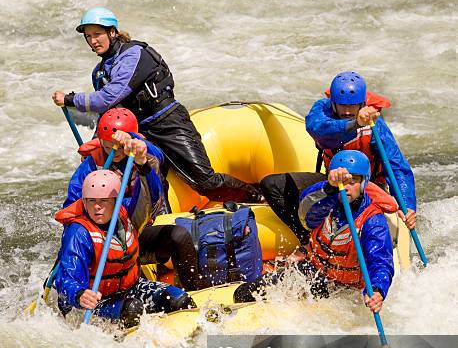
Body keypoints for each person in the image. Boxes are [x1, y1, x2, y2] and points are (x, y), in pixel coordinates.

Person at [52, 7, 262, 206]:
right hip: (141, 132)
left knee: (205, 182)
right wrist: (96, 142)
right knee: (151, 183)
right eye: (88, 36)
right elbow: (109, 113)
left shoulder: (134, 54)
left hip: (168, 122)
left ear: (113, 32)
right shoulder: (99, 71)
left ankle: (258, 197)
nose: (93, 40)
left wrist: (70, 99)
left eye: (97, 34)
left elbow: (108, 97)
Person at [260, 71, 417, 245]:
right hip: (333, 183)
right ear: (333, 103)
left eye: (353, 106)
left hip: (366, 187)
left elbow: (396, 166)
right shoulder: (322, 110)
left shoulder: (375, 125)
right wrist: (354, 124)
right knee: (272, 184)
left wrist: (407, 205)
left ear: (363, 103)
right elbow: (318, 130)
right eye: (342, 106)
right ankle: (307, 241)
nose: (348, 111)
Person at [234, 150, 397, 314]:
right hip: (313, 271)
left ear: (363, 184)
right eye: (342, 182)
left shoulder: (373, 221)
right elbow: (306, 214)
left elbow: (381, 262)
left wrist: (377, 290)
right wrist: (329, 188)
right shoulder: (325, 203)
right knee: (243, 294)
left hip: (347, 289)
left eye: (352, 181)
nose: (346, 187)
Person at [64, 107, 199, 291]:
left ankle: (194, 290)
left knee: (179, 236)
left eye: (120, 146)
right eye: (108, 146)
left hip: (135, 233)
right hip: (104, 239)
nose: (115, 151)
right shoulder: (91, 165)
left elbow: (155, 195)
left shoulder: (142, 153)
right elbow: (71, 207)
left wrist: (140, 158)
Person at [54, 169, 196, 328]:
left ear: (116, 200)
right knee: (132, 309)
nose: (97, 207)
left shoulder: (126, 212)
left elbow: (153, 197)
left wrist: (144, 166)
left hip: (131, 289)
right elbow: (66, 278)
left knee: (179, 299)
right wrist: (79, 294)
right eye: (91, 201)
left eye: (103, 201)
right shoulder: (79, 233)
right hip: (96, 302)